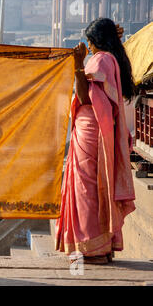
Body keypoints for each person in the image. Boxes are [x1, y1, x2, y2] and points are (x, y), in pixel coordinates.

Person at [55, 18, 137, 264]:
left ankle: (93, 250)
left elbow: (84, 96)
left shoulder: (100, 60)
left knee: (86, 190)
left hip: (90, 131)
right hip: (96, 130)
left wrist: (78, 65)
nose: (88, 46)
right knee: (95, 188)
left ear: (95, 42)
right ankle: (102, 245)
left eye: (89, 42)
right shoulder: (112, 58)